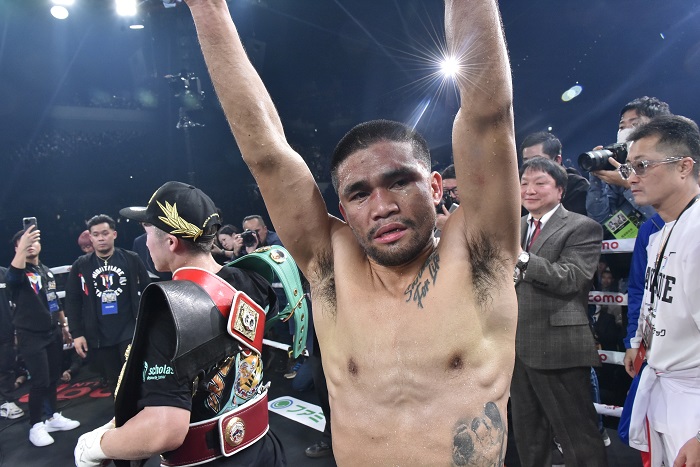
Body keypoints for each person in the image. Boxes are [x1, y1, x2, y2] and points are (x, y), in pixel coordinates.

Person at [185, 0, 520, 464]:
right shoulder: (331, 268)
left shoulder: (480, 252)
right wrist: (207, 7)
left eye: (399, 182)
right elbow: (266, 154)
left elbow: (488, 113)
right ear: (342, 209)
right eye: (360, 194)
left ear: (435, 187)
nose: (382, 207)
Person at [74, 181, 285, 466]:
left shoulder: (169, 310)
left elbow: (164, 430)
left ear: (171, 242)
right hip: (264, 449)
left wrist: (95, 446)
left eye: (148, 232)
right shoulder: (252, 279)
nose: (146, 242)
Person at [512, 157, 606, 466]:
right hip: (517, 348)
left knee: (578, 436)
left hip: (559, 346)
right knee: (528, 435)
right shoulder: (514, 227)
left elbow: (571, 278)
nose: (530, 190)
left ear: (560, 190)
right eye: (524, 183)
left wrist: (521, 259)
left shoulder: (582, 227)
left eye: (540, 183)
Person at [619, 115, 700, 466]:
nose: (631, 178)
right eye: (629, 168)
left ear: (684, 166)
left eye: (643, 165)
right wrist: (637, 342)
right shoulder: (663, 230)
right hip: (666, 386)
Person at [6, 227, 80, 447]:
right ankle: (35, 425)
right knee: (39, 381)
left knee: (52, 377)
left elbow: (54, 300)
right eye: (24, 243)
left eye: (34, 241)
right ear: (17, 248)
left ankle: (52, 417)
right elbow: (12, 277)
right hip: (31, 335)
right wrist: (22, 246)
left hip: (52, 332)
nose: (30, 245)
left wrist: (64, 326)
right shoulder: (17, 273)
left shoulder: (45, 271)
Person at [64, 214, 151, 391]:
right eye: (96, 234)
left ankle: (142, 408)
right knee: (113, 383)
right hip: (99, 334)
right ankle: (121, 410)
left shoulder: (131, 258)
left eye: (105, 233)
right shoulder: (81, 265)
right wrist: (77, 334)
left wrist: (150, 324)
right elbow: (72, 300)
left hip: (129, 330)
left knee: (136, 377)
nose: (101, 238)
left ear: (114, 234)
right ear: (90, 237)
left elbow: (148, 290)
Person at [586, 96, 670, 225]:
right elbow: (599, 219)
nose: (626, 131)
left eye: (634, 124)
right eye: (622, 127)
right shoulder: (620, 166)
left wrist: (629, 184)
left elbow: (669, 218)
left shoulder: (671, 162)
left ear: (658, 126)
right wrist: (596, 179)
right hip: (633, 238)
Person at [520, 131, 589, 216]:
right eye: (526, 161)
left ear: (557, 160)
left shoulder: (577, 186)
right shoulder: (520, 187)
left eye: (537, 160)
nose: (530, 166)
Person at [0, 266, 24, 420]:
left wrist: (16, 329)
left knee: (6, 366)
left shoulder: (4, 273)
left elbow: (15, 300)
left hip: (6, 329)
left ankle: (6, 402)